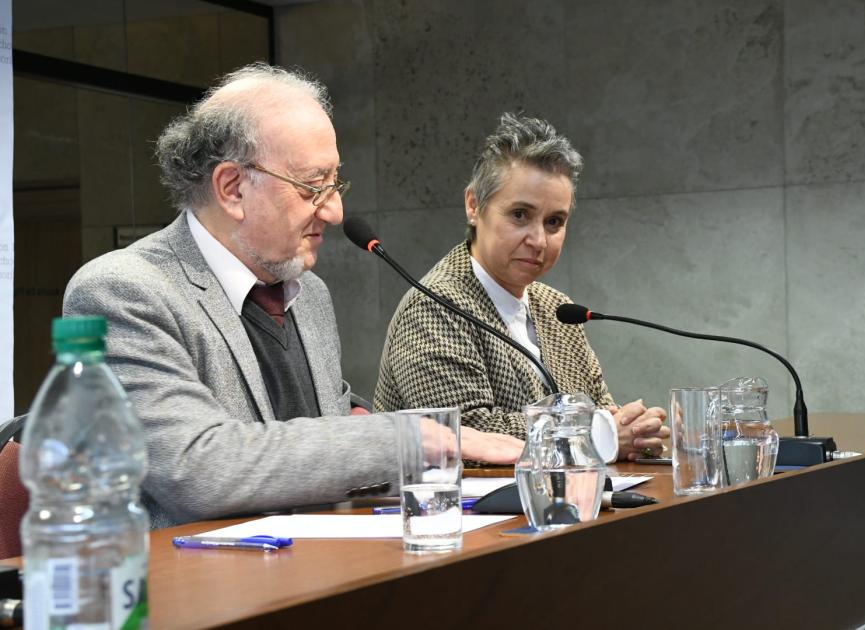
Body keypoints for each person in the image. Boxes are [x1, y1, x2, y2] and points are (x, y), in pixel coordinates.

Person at [62, 63, 522, 529]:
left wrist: (385, 428)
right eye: (312, 186)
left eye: (335, 183)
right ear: (232, 188)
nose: (336, 210)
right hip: (194, 589)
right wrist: (407, 439)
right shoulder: (123, 292)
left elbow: (331, 434)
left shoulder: (310, 295)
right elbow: (199, 469)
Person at [374, 113, 669, 461]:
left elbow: (602, 410)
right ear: (474, 206)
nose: (538, 240)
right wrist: (597, 433)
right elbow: (466, 437)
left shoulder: (558, 309)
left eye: (554, 222)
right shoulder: (433, 306)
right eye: (519, 215)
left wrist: (634, 430)